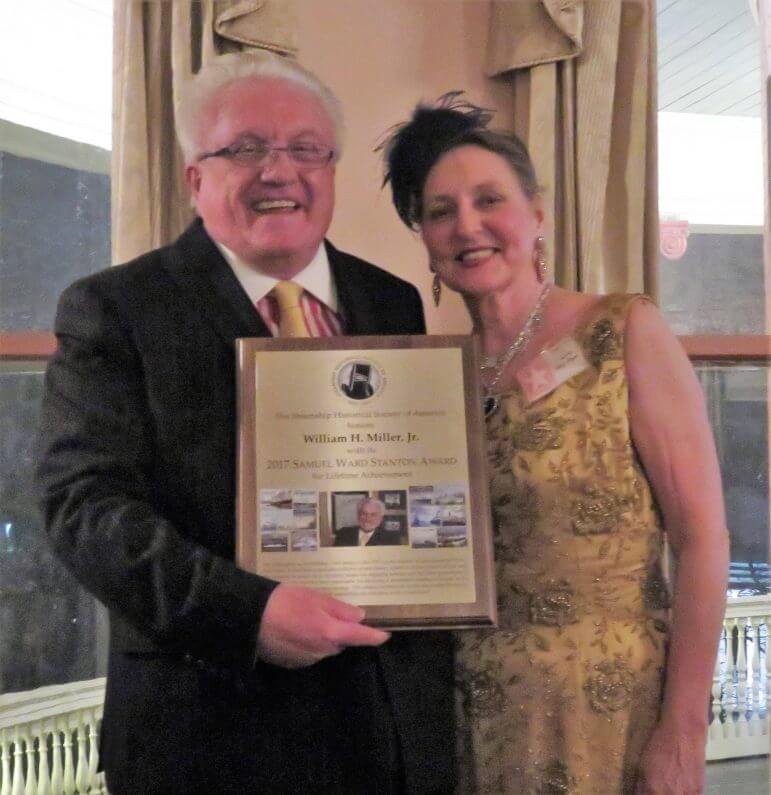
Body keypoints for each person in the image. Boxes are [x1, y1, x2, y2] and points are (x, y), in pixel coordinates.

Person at [35, 52, 455, 794]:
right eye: (246, 148)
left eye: (304, 149)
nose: (278, 171)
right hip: (209, 734)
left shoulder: (391, 301)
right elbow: (84, 508)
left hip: (389, 728)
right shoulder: (115, 310)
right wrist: (248, 614)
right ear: (196, 177)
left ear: (330, 169)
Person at [380, 95, 729, 794]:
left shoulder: (621, 330)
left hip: (606, 708)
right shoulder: (425, 372)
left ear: (536, 213)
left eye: (488, 200)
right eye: (440, 211)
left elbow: (702, 537)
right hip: (462, 711)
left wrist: (683, 729)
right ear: (423, 236)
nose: (467, 225)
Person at [334, 498, 402, 546]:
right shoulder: (343, 534)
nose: (367, 519)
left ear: (381, 519)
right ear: (358, 515)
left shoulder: (391, 539)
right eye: (364, 514)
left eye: (373, 515)